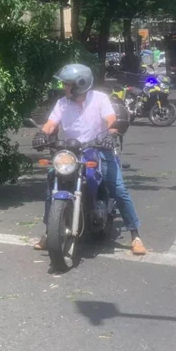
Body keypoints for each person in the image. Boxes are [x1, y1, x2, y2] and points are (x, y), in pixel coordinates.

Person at [32, 63, 147, 256]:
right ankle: (49, 232)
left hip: (99, 148)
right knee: (52, 181)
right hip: (71, 151)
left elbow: (111, 120)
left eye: (67, 84)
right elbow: (51, 123)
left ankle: (135, 235)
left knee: (118, 188)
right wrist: (42, 134)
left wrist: (111, 135)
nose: (64, 88)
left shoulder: (100, 99)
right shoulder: (62, 103)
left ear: (80, 84)